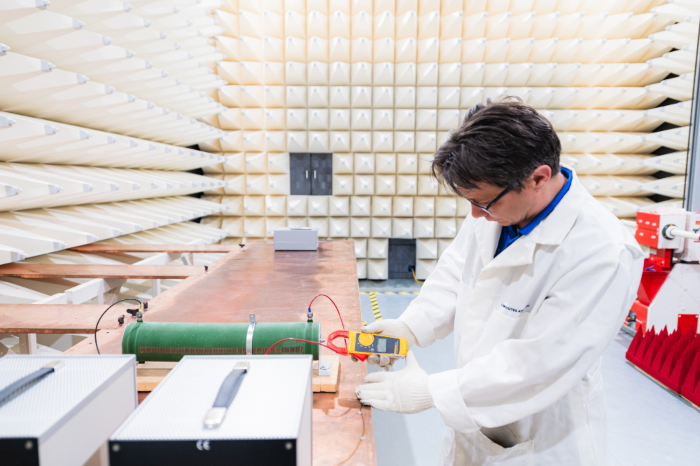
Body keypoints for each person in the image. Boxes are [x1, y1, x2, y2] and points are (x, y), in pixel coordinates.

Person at [355, 98, 644, 465]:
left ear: (537, 178)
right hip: (474, 414)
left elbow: (539, 365)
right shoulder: (495, 209)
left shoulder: (602, 252)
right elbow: (455, 274)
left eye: (484, 203)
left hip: (540, 437)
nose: (476, 214)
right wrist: (411, 326)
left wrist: (433, 391)